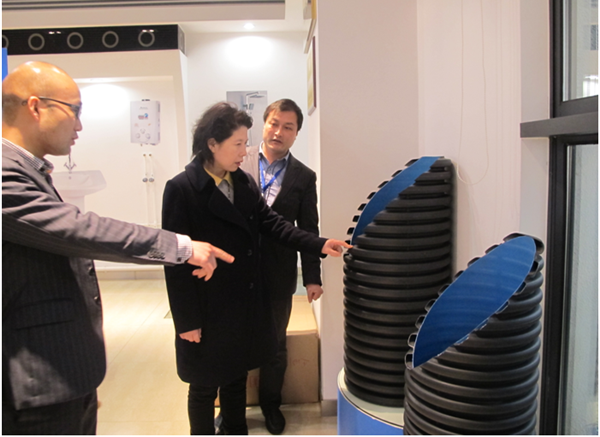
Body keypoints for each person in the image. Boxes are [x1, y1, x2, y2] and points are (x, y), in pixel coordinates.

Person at [2, 61, 234, 435]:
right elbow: (79, 230)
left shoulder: (30, 169)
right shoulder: (4, 172)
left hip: (62, 372)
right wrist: (181, 247)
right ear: (35, 107)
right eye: (74, 111)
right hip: (35, 382)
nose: (79, 126)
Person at [161, 101, 350, 435]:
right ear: (212, 144)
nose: (244, 151)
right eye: (237, 144)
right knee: (204, 385)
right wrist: (186, 321)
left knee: (236, 377)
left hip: (242, 300)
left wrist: (319, 244)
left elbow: (274, 224)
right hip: (206, 304)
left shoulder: (242, 182)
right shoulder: (182, 189)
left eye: (244, 142)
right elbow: (174, 262)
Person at [239, 98, 320, 434]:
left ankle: (271, 405)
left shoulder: (304, 176)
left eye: (288, 127)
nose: (279, 132)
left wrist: (312, 278)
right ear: (264, 124)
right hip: (235, 271)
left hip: (279, 272)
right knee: (233, 340)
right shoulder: (237, 161)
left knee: (275, 345)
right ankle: (232, 409)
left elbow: (308, 229)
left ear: (296, 133)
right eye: (274, 123)